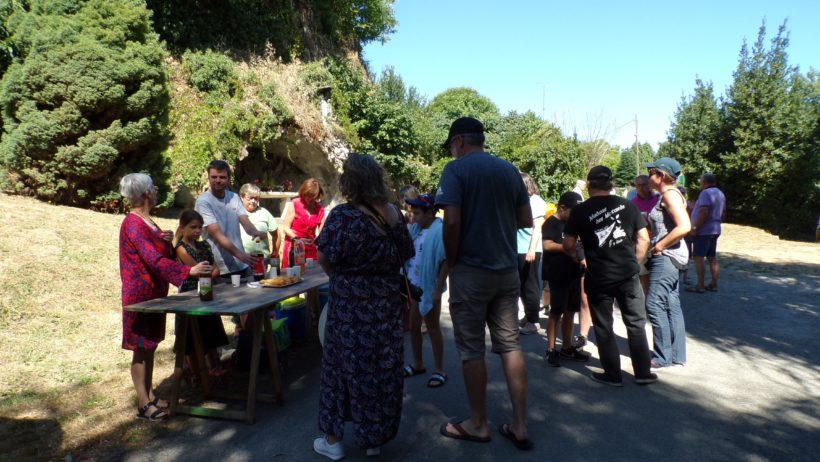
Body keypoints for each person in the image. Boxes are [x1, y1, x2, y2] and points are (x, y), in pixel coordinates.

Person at [436, 117, 534, 450]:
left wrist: (451, 260)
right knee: (510, 346)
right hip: (506, 272)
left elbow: (451, 222)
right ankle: (520, 424)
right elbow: (524, 221)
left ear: (460, 141)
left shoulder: (455, 170)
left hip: (470, 272)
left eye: (452, 145)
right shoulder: (509, 170)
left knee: (471, 350)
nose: (452, 150)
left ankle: (478, 424)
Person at [313, 153, 413, 460]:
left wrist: (345, 280)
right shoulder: (394, 214)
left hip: (349, 307)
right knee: (380, 370)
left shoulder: (342, 216)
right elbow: (406, 253)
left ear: (350, 180)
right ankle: (374, 438)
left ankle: (333, 441)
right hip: (384, 306)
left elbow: (324, 258)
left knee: (339, 369)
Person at [118, 174, 212, 421]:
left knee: (150, 344)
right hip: (139, 295)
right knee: (140, 347)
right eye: (154, 187)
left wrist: (165, 241)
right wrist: (186, 271)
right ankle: (143, 403)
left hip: (155, 293)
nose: (157, 190)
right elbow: (152, 259)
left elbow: (160, 252)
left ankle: (149, 395)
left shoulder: (147, 221)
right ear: (146, 193)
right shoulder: (133, 223)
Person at [562, 166, 656, 387]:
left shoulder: (580, 210)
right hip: (628, 275)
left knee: (604, 326)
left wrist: (578, 258)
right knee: (635, 324)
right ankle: (643, 373)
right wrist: (635, 263)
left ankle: (613, 375)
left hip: (598, 276)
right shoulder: (628, 206)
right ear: (611, 184)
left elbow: (567, 244)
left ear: (590, 184)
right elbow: (643, 239)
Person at [643, 158, 691, 371]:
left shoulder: (670, 195)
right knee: (671, 305)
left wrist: (659, 246)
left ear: (660, 176)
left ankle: (662, 357)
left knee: (653, 303)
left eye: (651, 172)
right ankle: (676, 355)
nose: (647, 177)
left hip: (667, 257)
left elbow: (684, 226)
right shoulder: (669, 195)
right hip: (675, 257)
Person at [174, 210, 228, 383]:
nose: (197, 231)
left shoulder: (204, 245)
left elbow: (215, 269)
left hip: (207, 291)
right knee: (192, 335)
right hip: (190, 294)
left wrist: (208, 274)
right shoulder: (181, 249)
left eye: (199, 227)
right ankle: (196, 372)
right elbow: (197, 270)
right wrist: (207, 274)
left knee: (210, 328)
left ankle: (214, 365)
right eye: (193, 227)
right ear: (182, 228)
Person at [402, 193, 448, 387]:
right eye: (412, 213)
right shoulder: (415, 230)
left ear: (430, 212)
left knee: (433, 327)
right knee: (413, 327)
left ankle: (439, 369)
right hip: (412, 286)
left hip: (428, 287)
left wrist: (437, 289)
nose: (414, 217)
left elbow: (446, 262)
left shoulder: (440, 231)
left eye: (418, 213)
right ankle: (418, 363)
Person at [542, 192, 591, 366]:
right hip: (557, 273)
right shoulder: (552, 223)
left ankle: (567, 347)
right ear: (562, 207)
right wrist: (566, 248)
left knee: (571, 310)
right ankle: (551, 349)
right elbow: (547, 244)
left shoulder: (574, 223)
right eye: (573, 211)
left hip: (574, 272)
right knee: (556, 311)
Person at [196, 160, 266, 282]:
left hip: (242, 265)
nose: (218, 180)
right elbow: (217, 235)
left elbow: (245, 222)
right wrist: (242, 256)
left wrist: (256, 232)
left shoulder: (234, 197)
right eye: (214, 177)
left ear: (228, 179)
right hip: (219, 267)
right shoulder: (203, 202)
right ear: (208, 177)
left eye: (222, 177)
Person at [518, 172, 548, 335]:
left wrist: (531, 249)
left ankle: (534, 321)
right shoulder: (522, 201)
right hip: (518, 248)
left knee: (531, 286)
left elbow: (537, 227)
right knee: (522, 286)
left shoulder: (536, 201)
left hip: (529, 249)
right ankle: (529, 316)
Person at [687, 173, 726, 293]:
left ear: (704, 182)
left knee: (698, 257)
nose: (699, 183)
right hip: (715, 229)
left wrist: (694, 228)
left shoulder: (705, 193)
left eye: (700, 181)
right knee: (712, 258)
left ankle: (700, 285)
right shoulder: (720, 193)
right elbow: (723, 212)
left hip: (703, 231)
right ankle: (714, 284)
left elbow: (704, 212)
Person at [282, 178, 326, 268]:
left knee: (312, 273)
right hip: (294, 245)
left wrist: (317, 240)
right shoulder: (295, 204)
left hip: (311, 246)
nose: (309, 199)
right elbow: (286, 227)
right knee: (293, 274)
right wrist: (297, 239)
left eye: (312, 196)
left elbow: (323, 231)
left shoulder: (320, 209)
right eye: (307, 195)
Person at [631, 174, 660, 294]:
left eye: (644, 185)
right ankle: (645, 303)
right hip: (642, 243)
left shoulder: (659, 200)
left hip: (658, 242)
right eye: (638, 186)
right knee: (644, 276)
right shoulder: (632, 203)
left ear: (650, 185)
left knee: (657, 276)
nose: (642, 188)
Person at [238, 183, 280, 261]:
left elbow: (276, 234)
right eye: (250, 198)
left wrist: (275, 252)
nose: (253, 201)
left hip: (261, 259)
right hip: (241, 259)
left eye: (256, 198)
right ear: (242, 197)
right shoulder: (235, 213)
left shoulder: (264, 213)